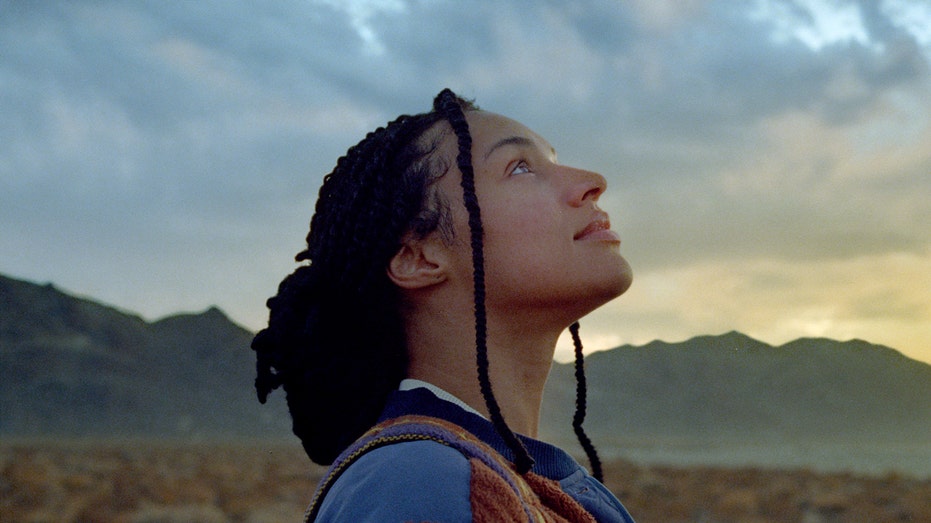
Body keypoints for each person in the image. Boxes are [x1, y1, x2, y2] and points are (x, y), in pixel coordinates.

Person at [252, 89, 635, 522]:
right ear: (418, 257)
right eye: (521, 168)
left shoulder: (483, 474)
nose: (592, 181)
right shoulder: (422, 483)